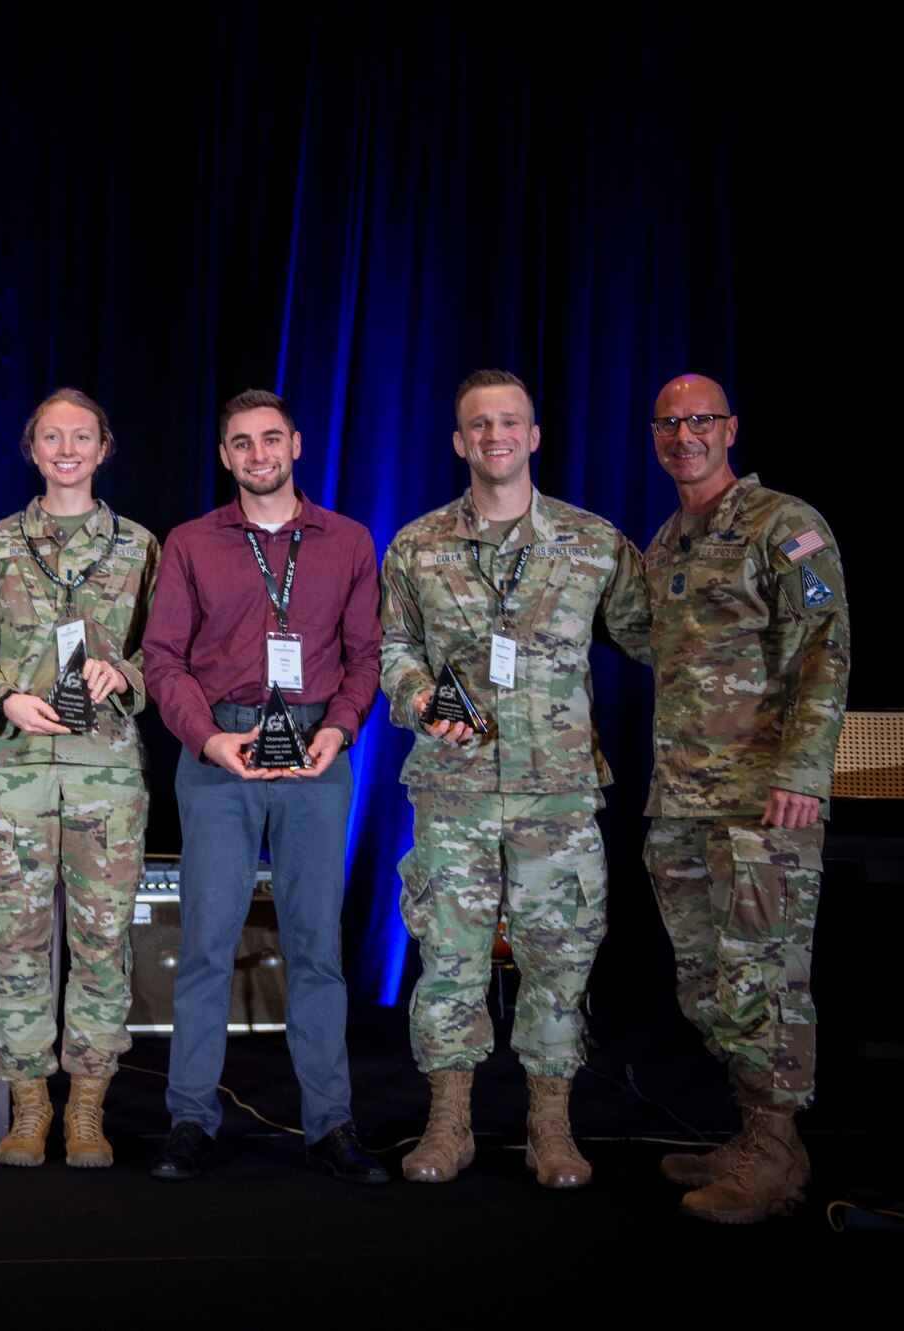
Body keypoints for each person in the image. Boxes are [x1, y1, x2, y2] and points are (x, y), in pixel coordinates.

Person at [379, 369, 650, 1189]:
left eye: (510, 423)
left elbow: (657, 638)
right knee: (449, 957)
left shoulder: (593, 542)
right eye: (478, 425)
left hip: (557, 793)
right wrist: (420, 698)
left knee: (559, 957)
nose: (495, 436)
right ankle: (450, 1122)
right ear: (460, 442)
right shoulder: (417, 544)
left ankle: (551, 1127)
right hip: (454, 789)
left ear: (533, 437)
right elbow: (394, 650)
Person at [140, 388, 385, 1183]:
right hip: (221, 753)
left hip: (314, 753)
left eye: (270, 439)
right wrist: (209, 737)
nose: (257, 455)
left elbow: (366, 656)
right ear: (225, 456)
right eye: (241, 443)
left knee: (317, 945)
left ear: (297, 444)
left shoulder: (348, 541)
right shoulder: (190, 542)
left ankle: (331, 1123)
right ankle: (188, 1118)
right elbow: (163, 658)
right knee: (207, 944)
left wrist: (338, 731)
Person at [637, 373, 848, 1223]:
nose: (685, 434)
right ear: (656, 435)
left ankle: (774, 1152)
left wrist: (804, 771)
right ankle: (758, 1132)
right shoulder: (666, 543)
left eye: (701, 420)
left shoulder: (784, 525)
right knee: (707, 981)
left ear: (730, 427)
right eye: (669, 422)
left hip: (764, 800)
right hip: (683, 798)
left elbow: (825, 648)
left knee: (765, 973)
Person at [0, 389, 161, 1168]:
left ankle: (87, 1107)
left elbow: (165, 655)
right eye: (52, 436)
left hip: (105, 777)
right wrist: (4, 697)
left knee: (104, 943)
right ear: (32, 449)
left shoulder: (141, 546)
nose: (67, 448)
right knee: (16, 943)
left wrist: (125, 673)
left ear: (104, 447)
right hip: (14, 774)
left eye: (82, 436)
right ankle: (29, 1103)